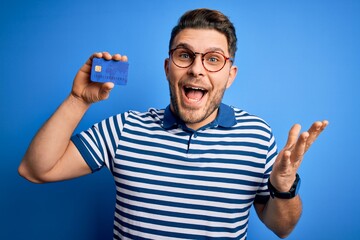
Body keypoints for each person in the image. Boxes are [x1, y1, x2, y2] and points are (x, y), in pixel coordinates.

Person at [18, 8, 328, 240]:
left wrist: (284, 188)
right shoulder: (125, 129)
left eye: (213, 59)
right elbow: (35, 169)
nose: (196, 69)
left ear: (230, 75)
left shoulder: (257, 136)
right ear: (168, 68)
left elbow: (282, 227)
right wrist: (78, 99)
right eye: (185, 55)